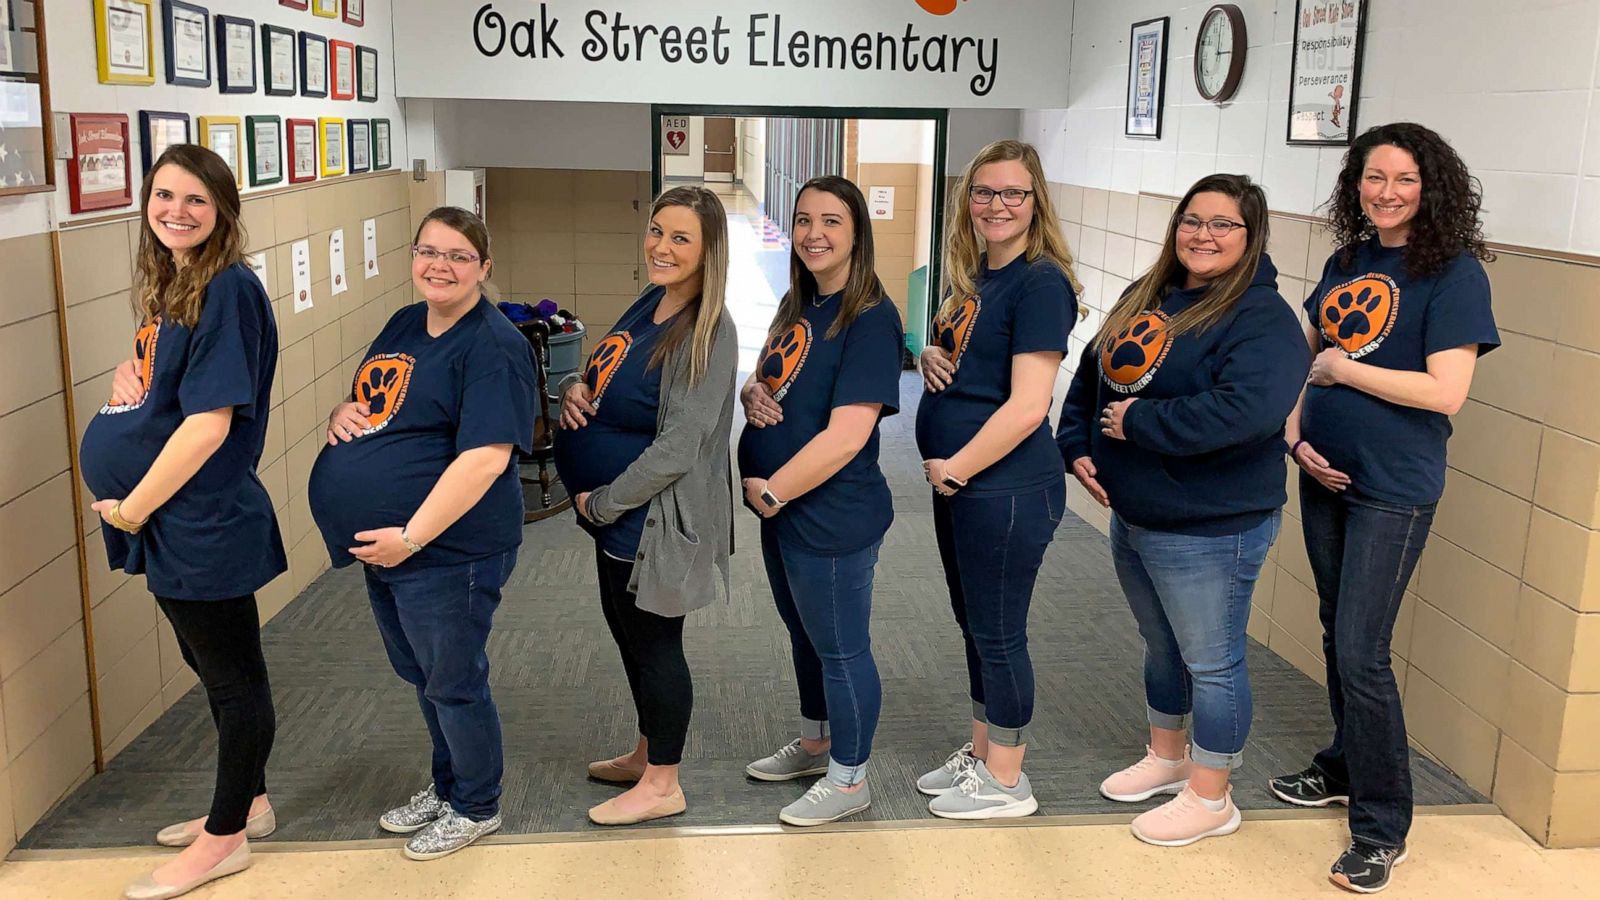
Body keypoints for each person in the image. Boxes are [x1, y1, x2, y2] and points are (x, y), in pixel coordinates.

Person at [1271, 122, 1498, 894]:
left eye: (1404, 179)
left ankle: (1381, 825)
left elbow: (1445, 392)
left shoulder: (1454, 273)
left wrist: (1343, 370)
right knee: (1340, 633)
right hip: (1323, 475)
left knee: (1363, 651)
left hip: (1393, 488)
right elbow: (1305, 353)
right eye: (1374, 177)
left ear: (1431, 187)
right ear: (1355, 185)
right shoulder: (1346, 260)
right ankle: (1342, 763)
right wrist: (1297, 431)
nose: (1387, 192)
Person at [1057, 173, 1309, 847]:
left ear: (1251, 237)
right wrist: (1076, 443)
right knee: (1162, 645)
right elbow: (1094, 370)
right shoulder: (1152, 294)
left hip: (1212, 526)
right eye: (1192, 220)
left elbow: (1246, 412)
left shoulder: (1263, 319)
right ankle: (1168, 758)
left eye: (1223, 224)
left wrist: (1138, 424)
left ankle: (1211, 794)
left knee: (1214, 661)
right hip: (1137, 513)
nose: (1203, 235)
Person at [82, 143, 285, 900]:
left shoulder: (228, 288)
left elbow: (208, 425)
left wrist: (133, 508)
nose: (177, 211)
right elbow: (167, 391)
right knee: (211, 669)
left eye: (196, 200)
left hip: (200, 520)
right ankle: (250, 804)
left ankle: (225, 837)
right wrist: (124, 378)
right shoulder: (177, 281)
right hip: (170, 521)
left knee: (235, 684)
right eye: (164, 195)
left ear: (224, 210)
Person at [306, 207, 537, 861]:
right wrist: (342, 410)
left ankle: (476, 805)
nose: (440, 265)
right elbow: (382, 400)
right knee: (423, 673)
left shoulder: (493, 346)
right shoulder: (407, 322)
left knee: (455, 678)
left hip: (450, 549)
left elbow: (485, 459)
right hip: (394, 547)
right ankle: (448, 785)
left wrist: (410, 537)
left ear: (484, 269)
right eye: (429, 251)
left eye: (459, 256)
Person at [553, 185, 738, 827]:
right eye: (657, 230)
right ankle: (645, 752)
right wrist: (580, 387)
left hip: (651, 517)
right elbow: (609, 370)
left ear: (709, 250)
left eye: (680, 238)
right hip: (614, 516)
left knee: (657, 644)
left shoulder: (707, 331)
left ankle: (664, 784)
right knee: (626, 634)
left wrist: (602, 502)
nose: (661, 245)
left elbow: (681, 447)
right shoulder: (650, 302)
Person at [914, 140, 1081, 819]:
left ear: (1035, 199)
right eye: (985, 192)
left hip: (1005, 488)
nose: (998, 204)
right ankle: (983, 751)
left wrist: (956, 466)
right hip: (967, 487)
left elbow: (1028, 405)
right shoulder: (979, 276)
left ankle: (1009, 780)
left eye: (1013, 192)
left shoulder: (1041, 282)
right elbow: (972, 363)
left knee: (1001, 631)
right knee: (975, 624)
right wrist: (928, 352)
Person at [737, 176, 904, 826]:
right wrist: (752, 390)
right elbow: (778, 374)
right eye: (804, 220)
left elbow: (849, 433)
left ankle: (851, 778)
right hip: (783, 514)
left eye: (831, 221)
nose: (814, 233)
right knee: (805, 636)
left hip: (830, 514)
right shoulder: (799, 303)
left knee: (840, 647)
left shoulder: (869, 317)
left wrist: (775, 490)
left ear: (856, 232)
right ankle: (816, 744)